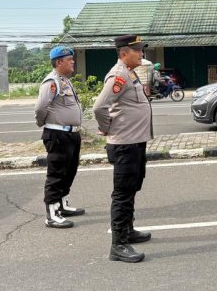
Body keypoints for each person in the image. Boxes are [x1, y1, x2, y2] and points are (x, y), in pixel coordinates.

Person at [93, 35, 153, 263]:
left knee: (132, 188)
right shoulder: (118, 75)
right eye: (137, 50)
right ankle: (118, 245)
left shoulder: (130, 72)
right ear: (124, 53)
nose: (141, 54)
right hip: (125, 144)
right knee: (122, 195)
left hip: (135, 142)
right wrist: (106, 128)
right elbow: (99, 107)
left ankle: (128, 230)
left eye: (141, 49)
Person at [35, 45, 85, 229]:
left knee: (69, 171)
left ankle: (62, 205)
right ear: (58, 62)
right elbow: (41, 108)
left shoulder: (65, 80)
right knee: (56, 174)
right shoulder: (51, 82)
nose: (73, 61)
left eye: (72, 58)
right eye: (69, 59)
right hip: (58, 135)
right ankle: (52, 214)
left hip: (71, 134)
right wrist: (44, 123)